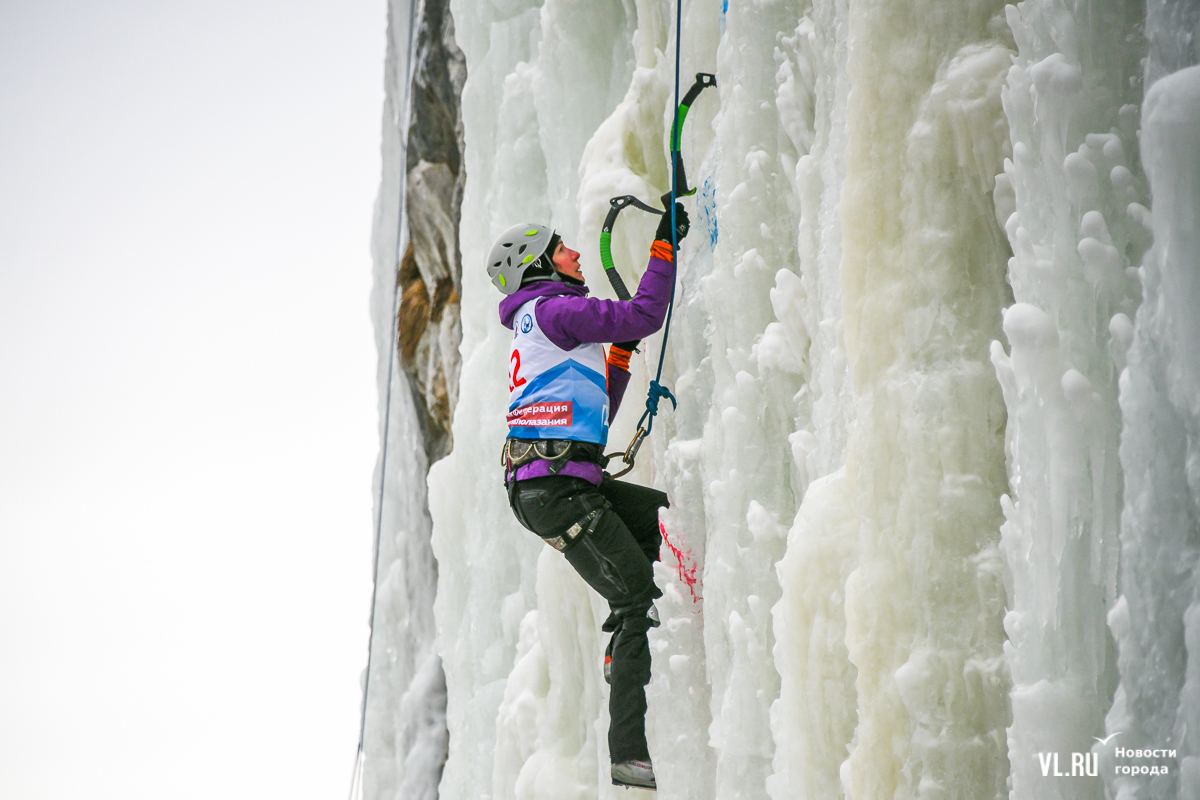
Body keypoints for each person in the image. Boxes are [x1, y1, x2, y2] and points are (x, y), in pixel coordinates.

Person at [487, 205, 689, 791]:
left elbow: (595, 404)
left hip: (561, 484)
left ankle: (622, 653)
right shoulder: (553, 309)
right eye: (562, 248)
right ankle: (628, 755)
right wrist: (664, 248)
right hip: (557, 489)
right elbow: (645, 313)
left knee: (668, 526)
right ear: (537, 264)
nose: (574, 254)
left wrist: (620, 357)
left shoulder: (541, 323)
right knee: (633, 597)